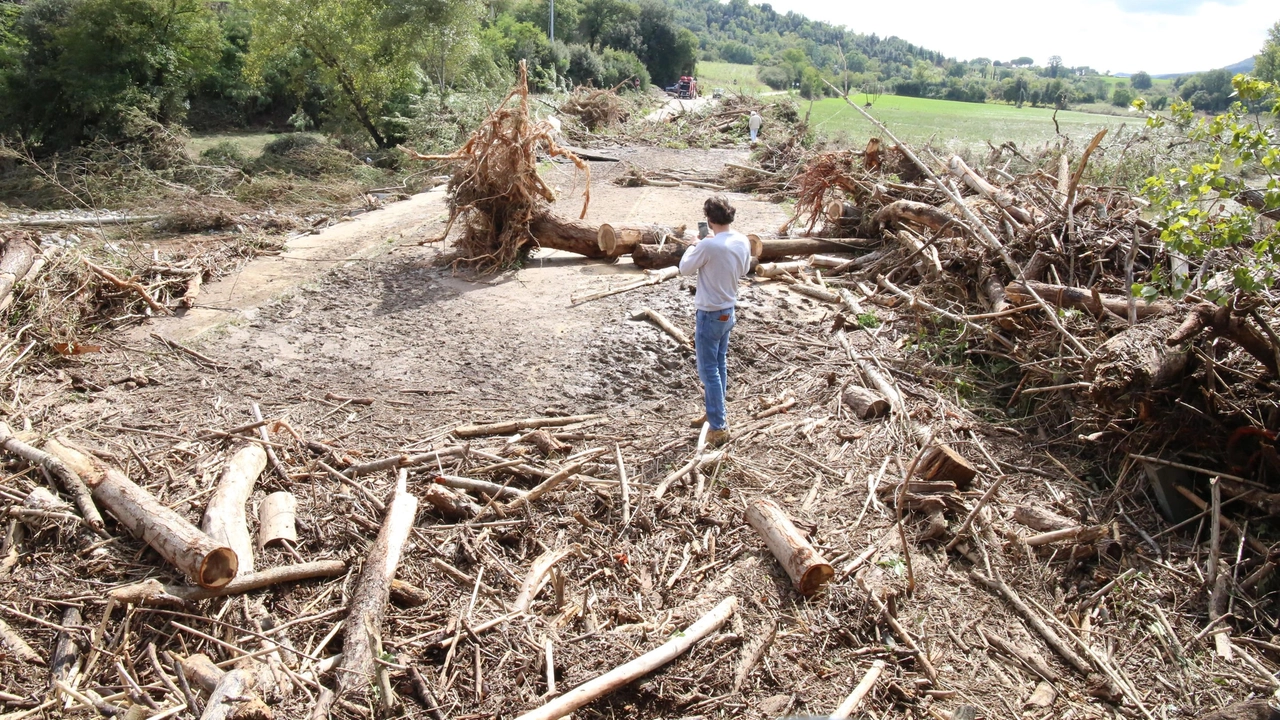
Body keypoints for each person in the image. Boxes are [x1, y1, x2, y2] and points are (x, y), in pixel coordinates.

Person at [679, 196, 752, 446]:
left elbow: (684, 268)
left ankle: (718, 425)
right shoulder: (742, 240)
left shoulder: (709, 246)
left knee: (708, 370)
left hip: (709, 313)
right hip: (728, 310)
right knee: (719, 364)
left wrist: (693, 245)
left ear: (709, 220)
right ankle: (714, 413)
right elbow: (744, 270)